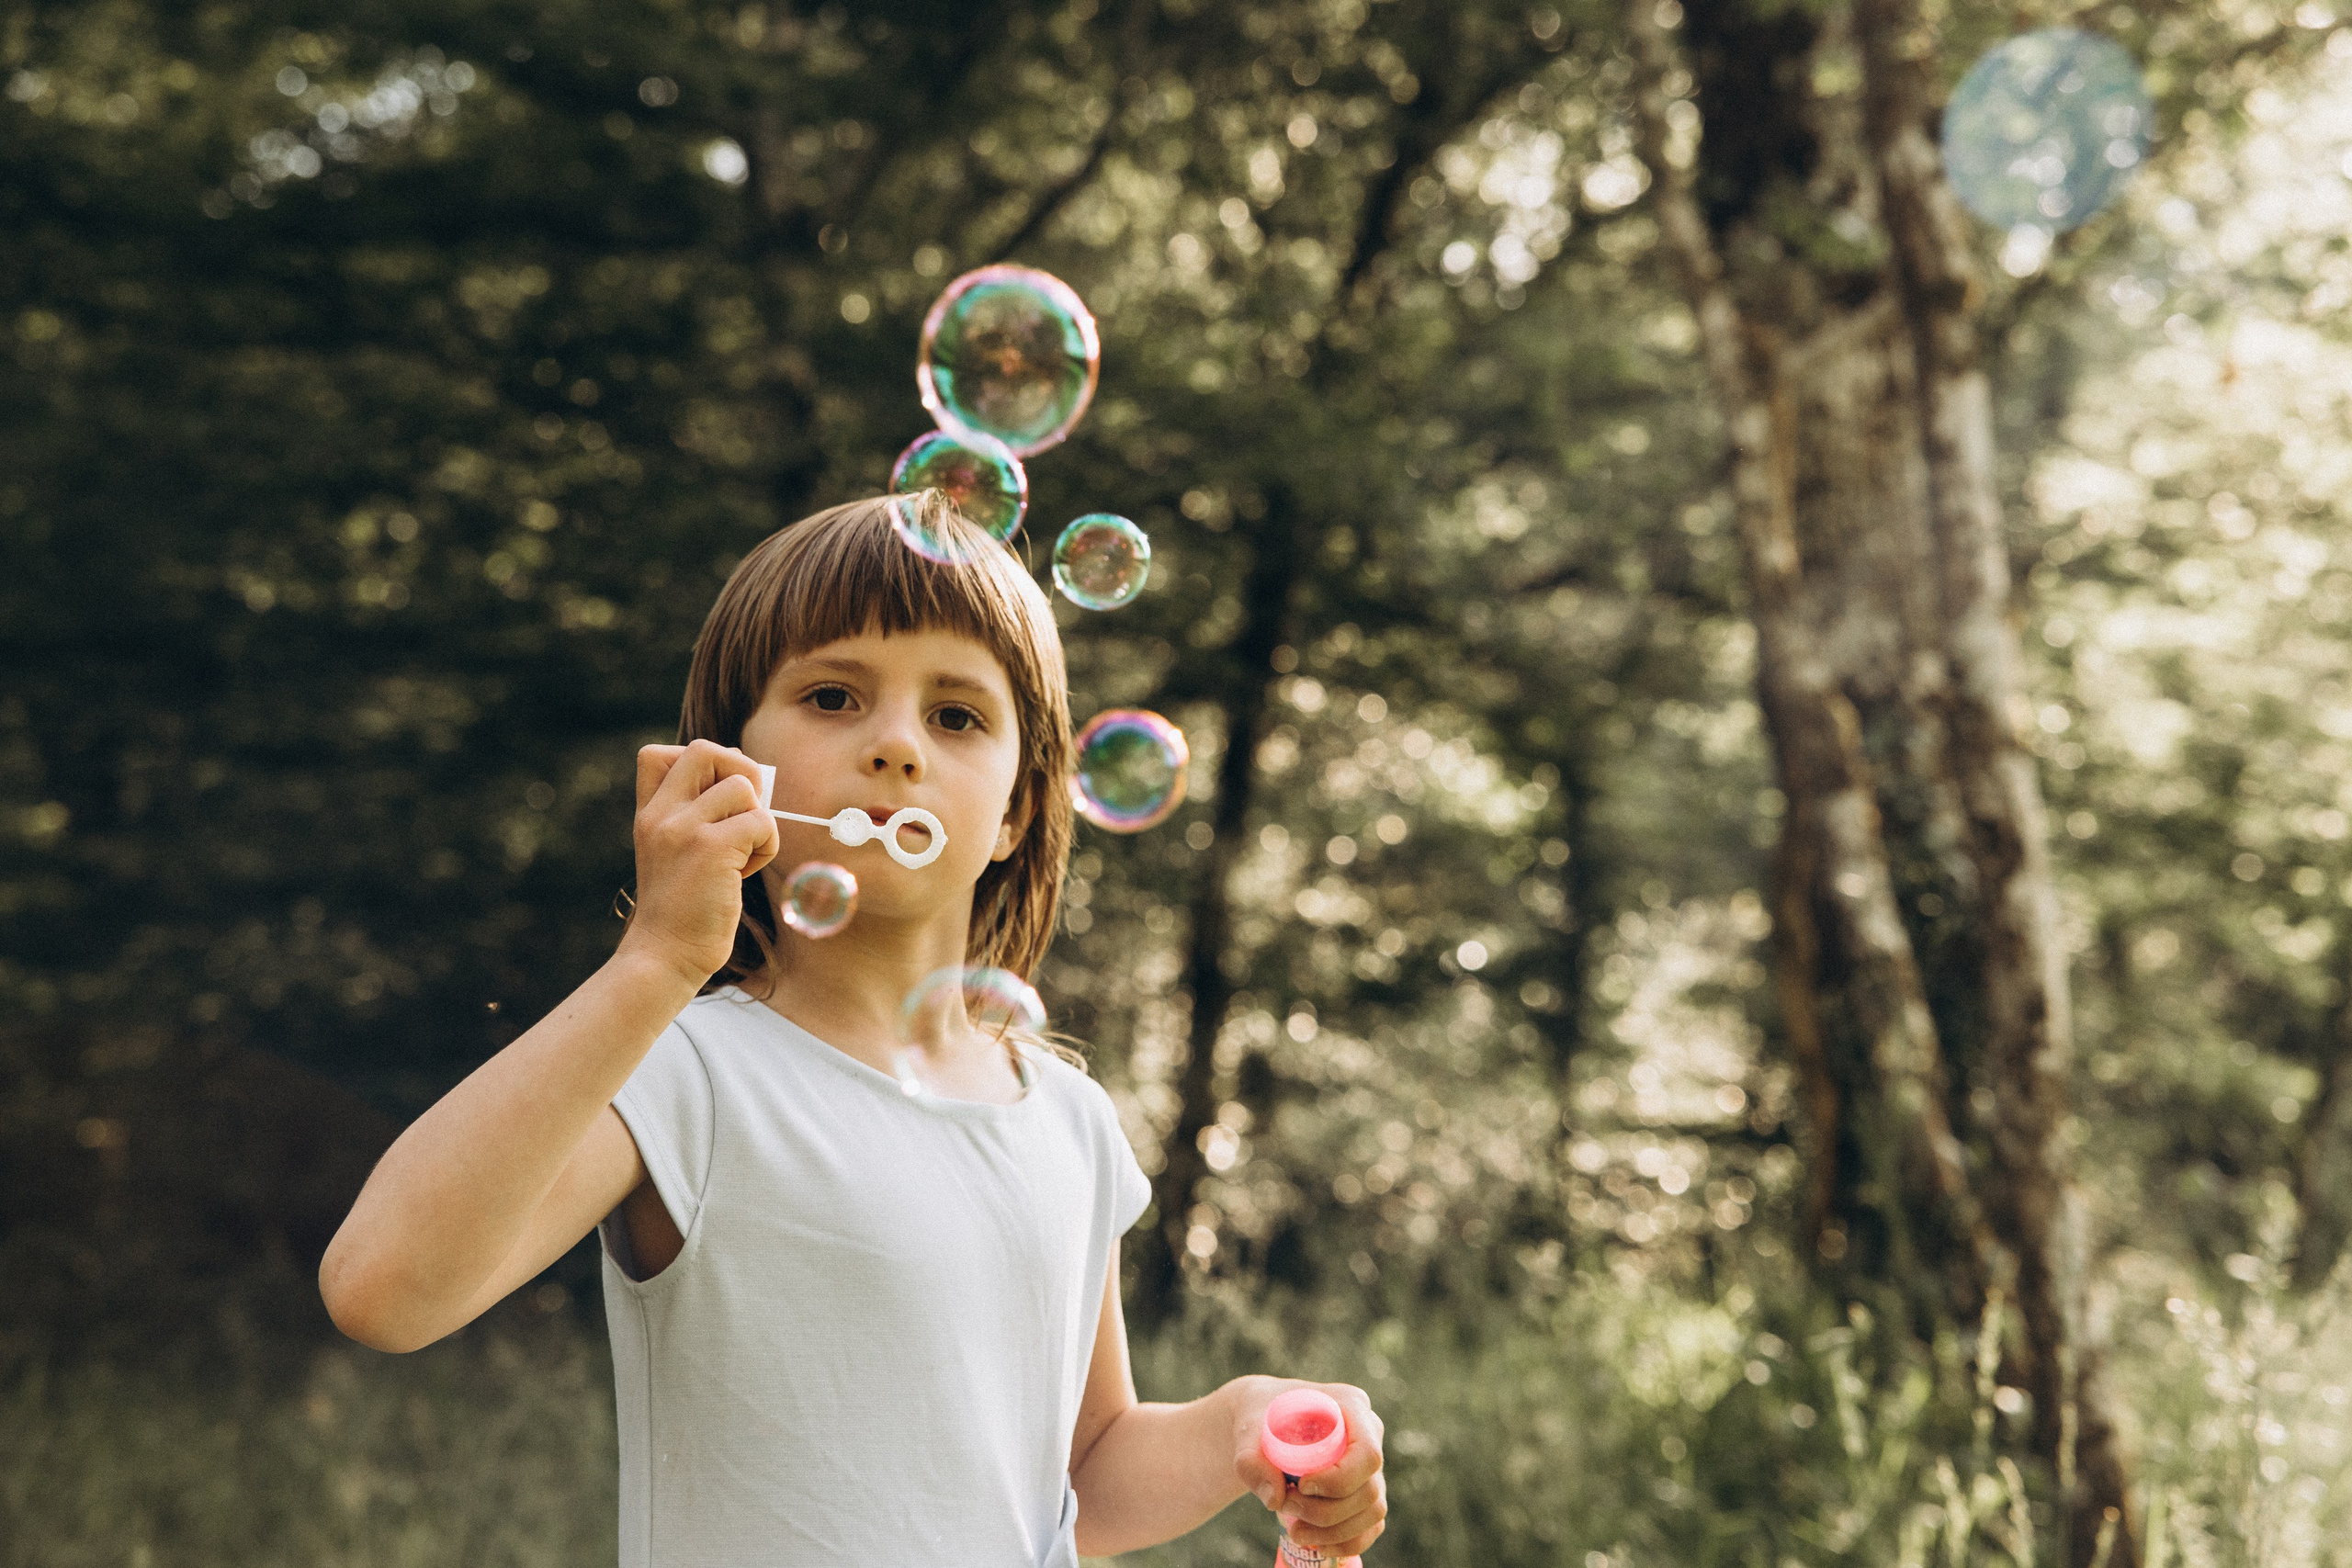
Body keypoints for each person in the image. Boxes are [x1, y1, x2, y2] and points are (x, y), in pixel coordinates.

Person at [319, 492, 1388, 1566]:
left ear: (1018, 806)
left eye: (957, 716)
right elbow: (383, 1289)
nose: (895, 747)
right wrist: (655, 960)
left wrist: (1248, 1423)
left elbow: (1083, 1479)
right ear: (732, 762)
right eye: (833, 696)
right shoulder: (692, 1074)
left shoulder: (1066, 1118)